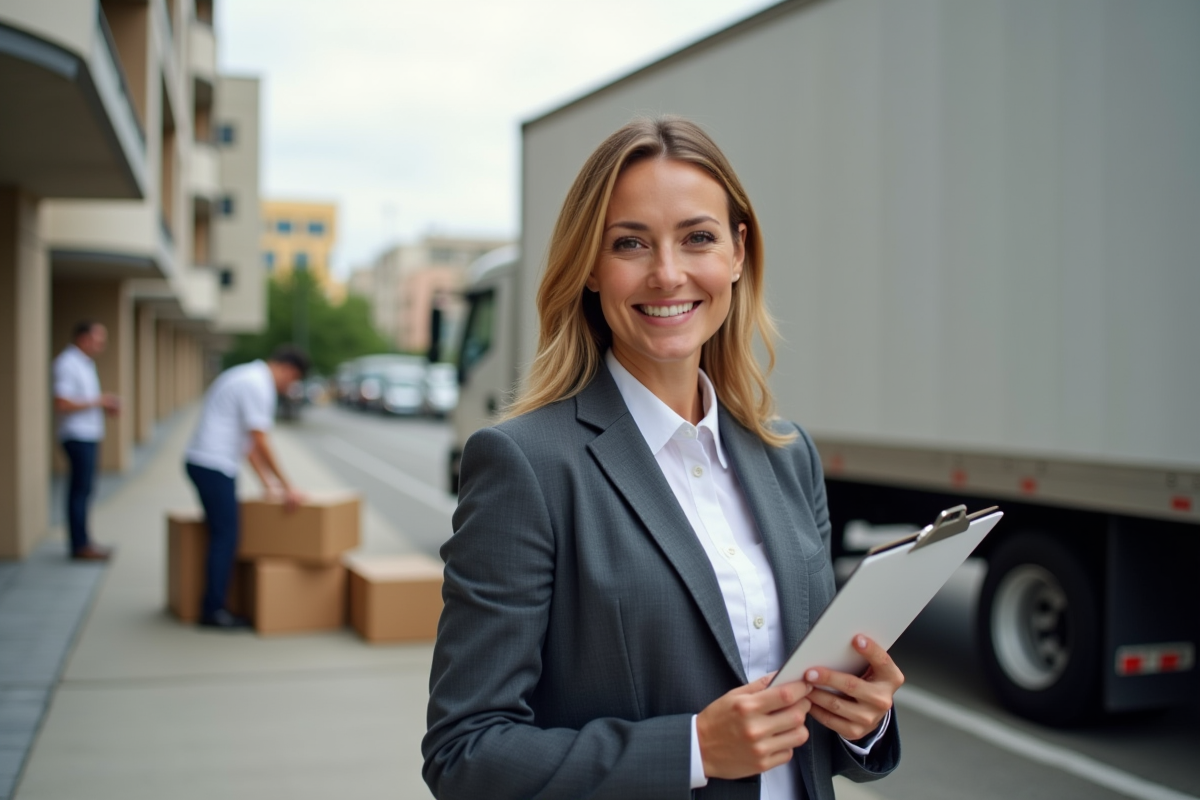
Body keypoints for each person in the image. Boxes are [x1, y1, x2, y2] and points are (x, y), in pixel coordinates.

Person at [423, 118, 904, 799]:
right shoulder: (525, 465)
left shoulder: (787, 456)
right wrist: (692, 750)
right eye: (630, 244)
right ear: (590, 266)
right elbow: (464, 755)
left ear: (738, 253)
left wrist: (862, 720)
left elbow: (807, 716)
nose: (668, 273)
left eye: (698, 237)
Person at [184, 345, 308, 629]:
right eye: (293, 380)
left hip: (207, 462)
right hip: (212, 463)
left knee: (222, 533)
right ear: (288, 369)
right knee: (226, 536)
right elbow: (261, 441)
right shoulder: (257, 384)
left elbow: (250, 446)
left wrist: (268, 484)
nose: (289, 387)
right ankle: (213, 611)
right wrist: (289, 487)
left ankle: (214, 605)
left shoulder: (247, 376)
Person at [53, 321, 120, 561]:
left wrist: (103, 405)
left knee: (85, 490)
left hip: (88, 434)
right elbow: (62, 402)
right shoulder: (67, 364)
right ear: (83, 338)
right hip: (77, 436)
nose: (101, 346)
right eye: (98, 340)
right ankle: (80, 545)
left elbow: (81, 400)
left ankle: (83, 542)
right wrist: (99, 401)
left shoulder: (84, 364)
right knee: (80, 491)